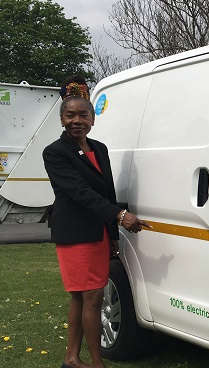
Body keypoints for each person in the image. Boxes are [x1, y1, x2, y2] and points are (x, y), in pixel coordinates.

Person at [43, 76, 151, 368]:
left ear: (93, 118)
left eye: (83, 114)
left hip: (99, 232)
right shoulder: (55, 152)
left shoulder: (99, 148)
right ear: (62, 119)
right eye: (70, 115)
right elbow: (79, 193)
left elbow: (107, 190)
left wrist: (112, 232)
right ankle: (96, 363)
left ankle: (72, 359)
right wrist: (119, 215)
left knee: (83, 298)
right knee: (90, 297)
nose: (77, 120)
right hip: (75, 233)